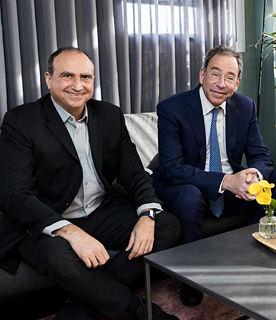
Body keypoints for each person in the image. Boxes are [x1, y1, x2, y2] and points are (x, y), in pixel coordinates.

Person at [0, 47, 181, 320]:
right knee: (57, 257)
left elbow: (133, 173)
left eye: (85, 76)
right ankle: (135, 308)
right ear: (48, 79)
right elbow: (15, 194)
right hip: (45, 220)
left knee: (166, 225)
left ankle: (82, 301)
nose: (77, 85)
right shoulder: (21, 121)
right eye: (67, 76)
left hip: (100, 212)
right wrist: (71, 232)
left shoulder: (108, 115)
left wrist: (146, 214)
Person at [151, 45, 276, 306]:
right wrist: (227, 181)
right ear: (202, 75)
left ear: (237, 83)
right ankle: (191, 278)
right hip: (186, 186)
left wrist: (254, 177)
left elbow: (261, 153)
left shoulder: (245, 106)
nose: (221, 84)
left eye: (229, 77)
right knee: (189, 195)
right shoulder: (172, 108)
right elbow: (172, 168)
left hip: (230, 190)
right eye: (215, 74)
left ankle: (256, 260)